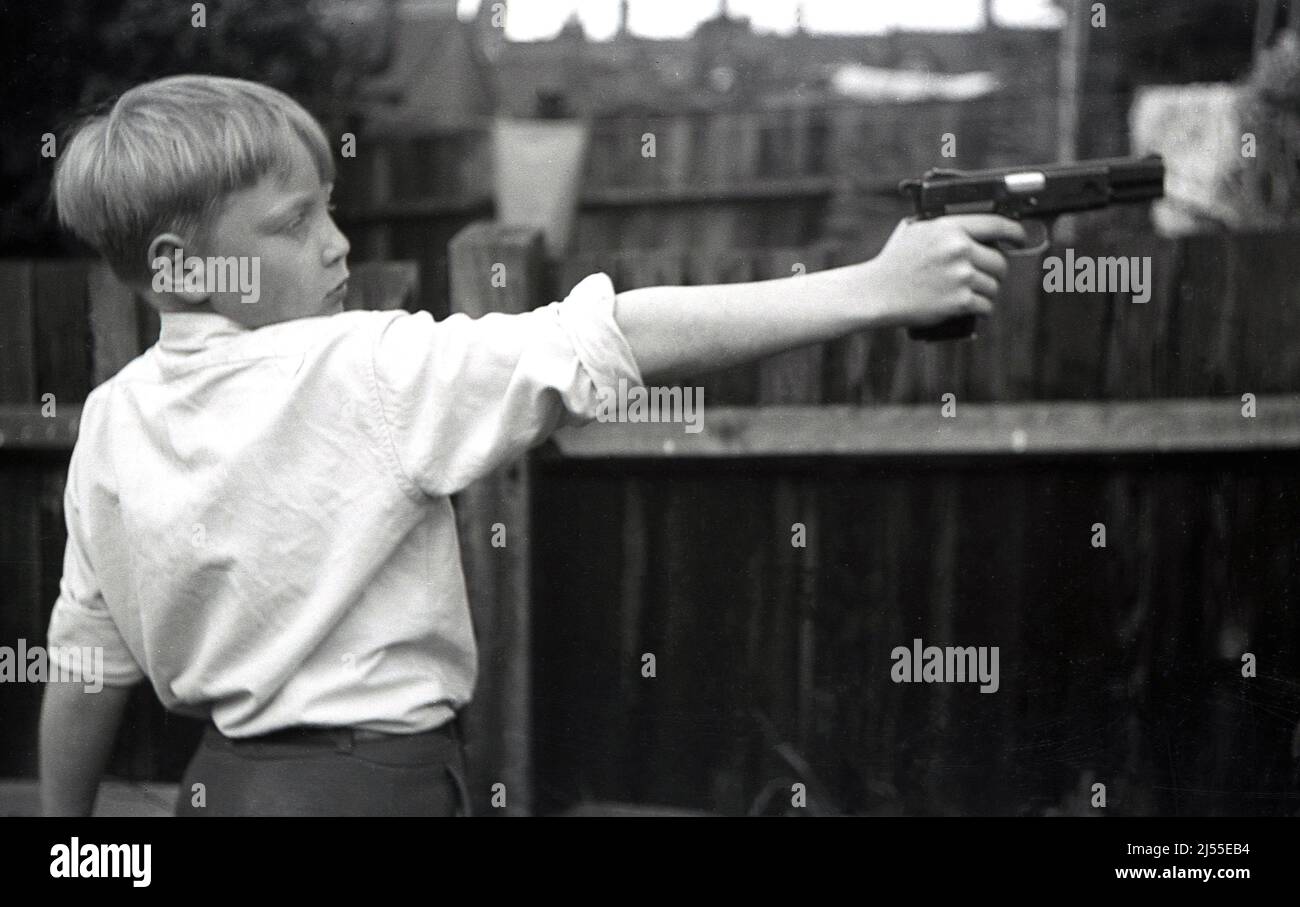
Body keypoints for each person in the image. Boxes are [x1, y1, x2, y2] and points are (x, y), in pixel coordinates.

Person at [38, 74, 1026, 817]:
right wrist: (874, 288)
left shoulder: (112, 424)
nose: (337, 242)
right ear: (180, 266)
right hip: (376, 788)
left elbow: (87, 669)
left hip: (217, 785)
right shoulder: (360, 367)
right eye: (296, 223)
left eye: (330, 206)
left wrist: (66, 839)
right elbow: (608, 336)